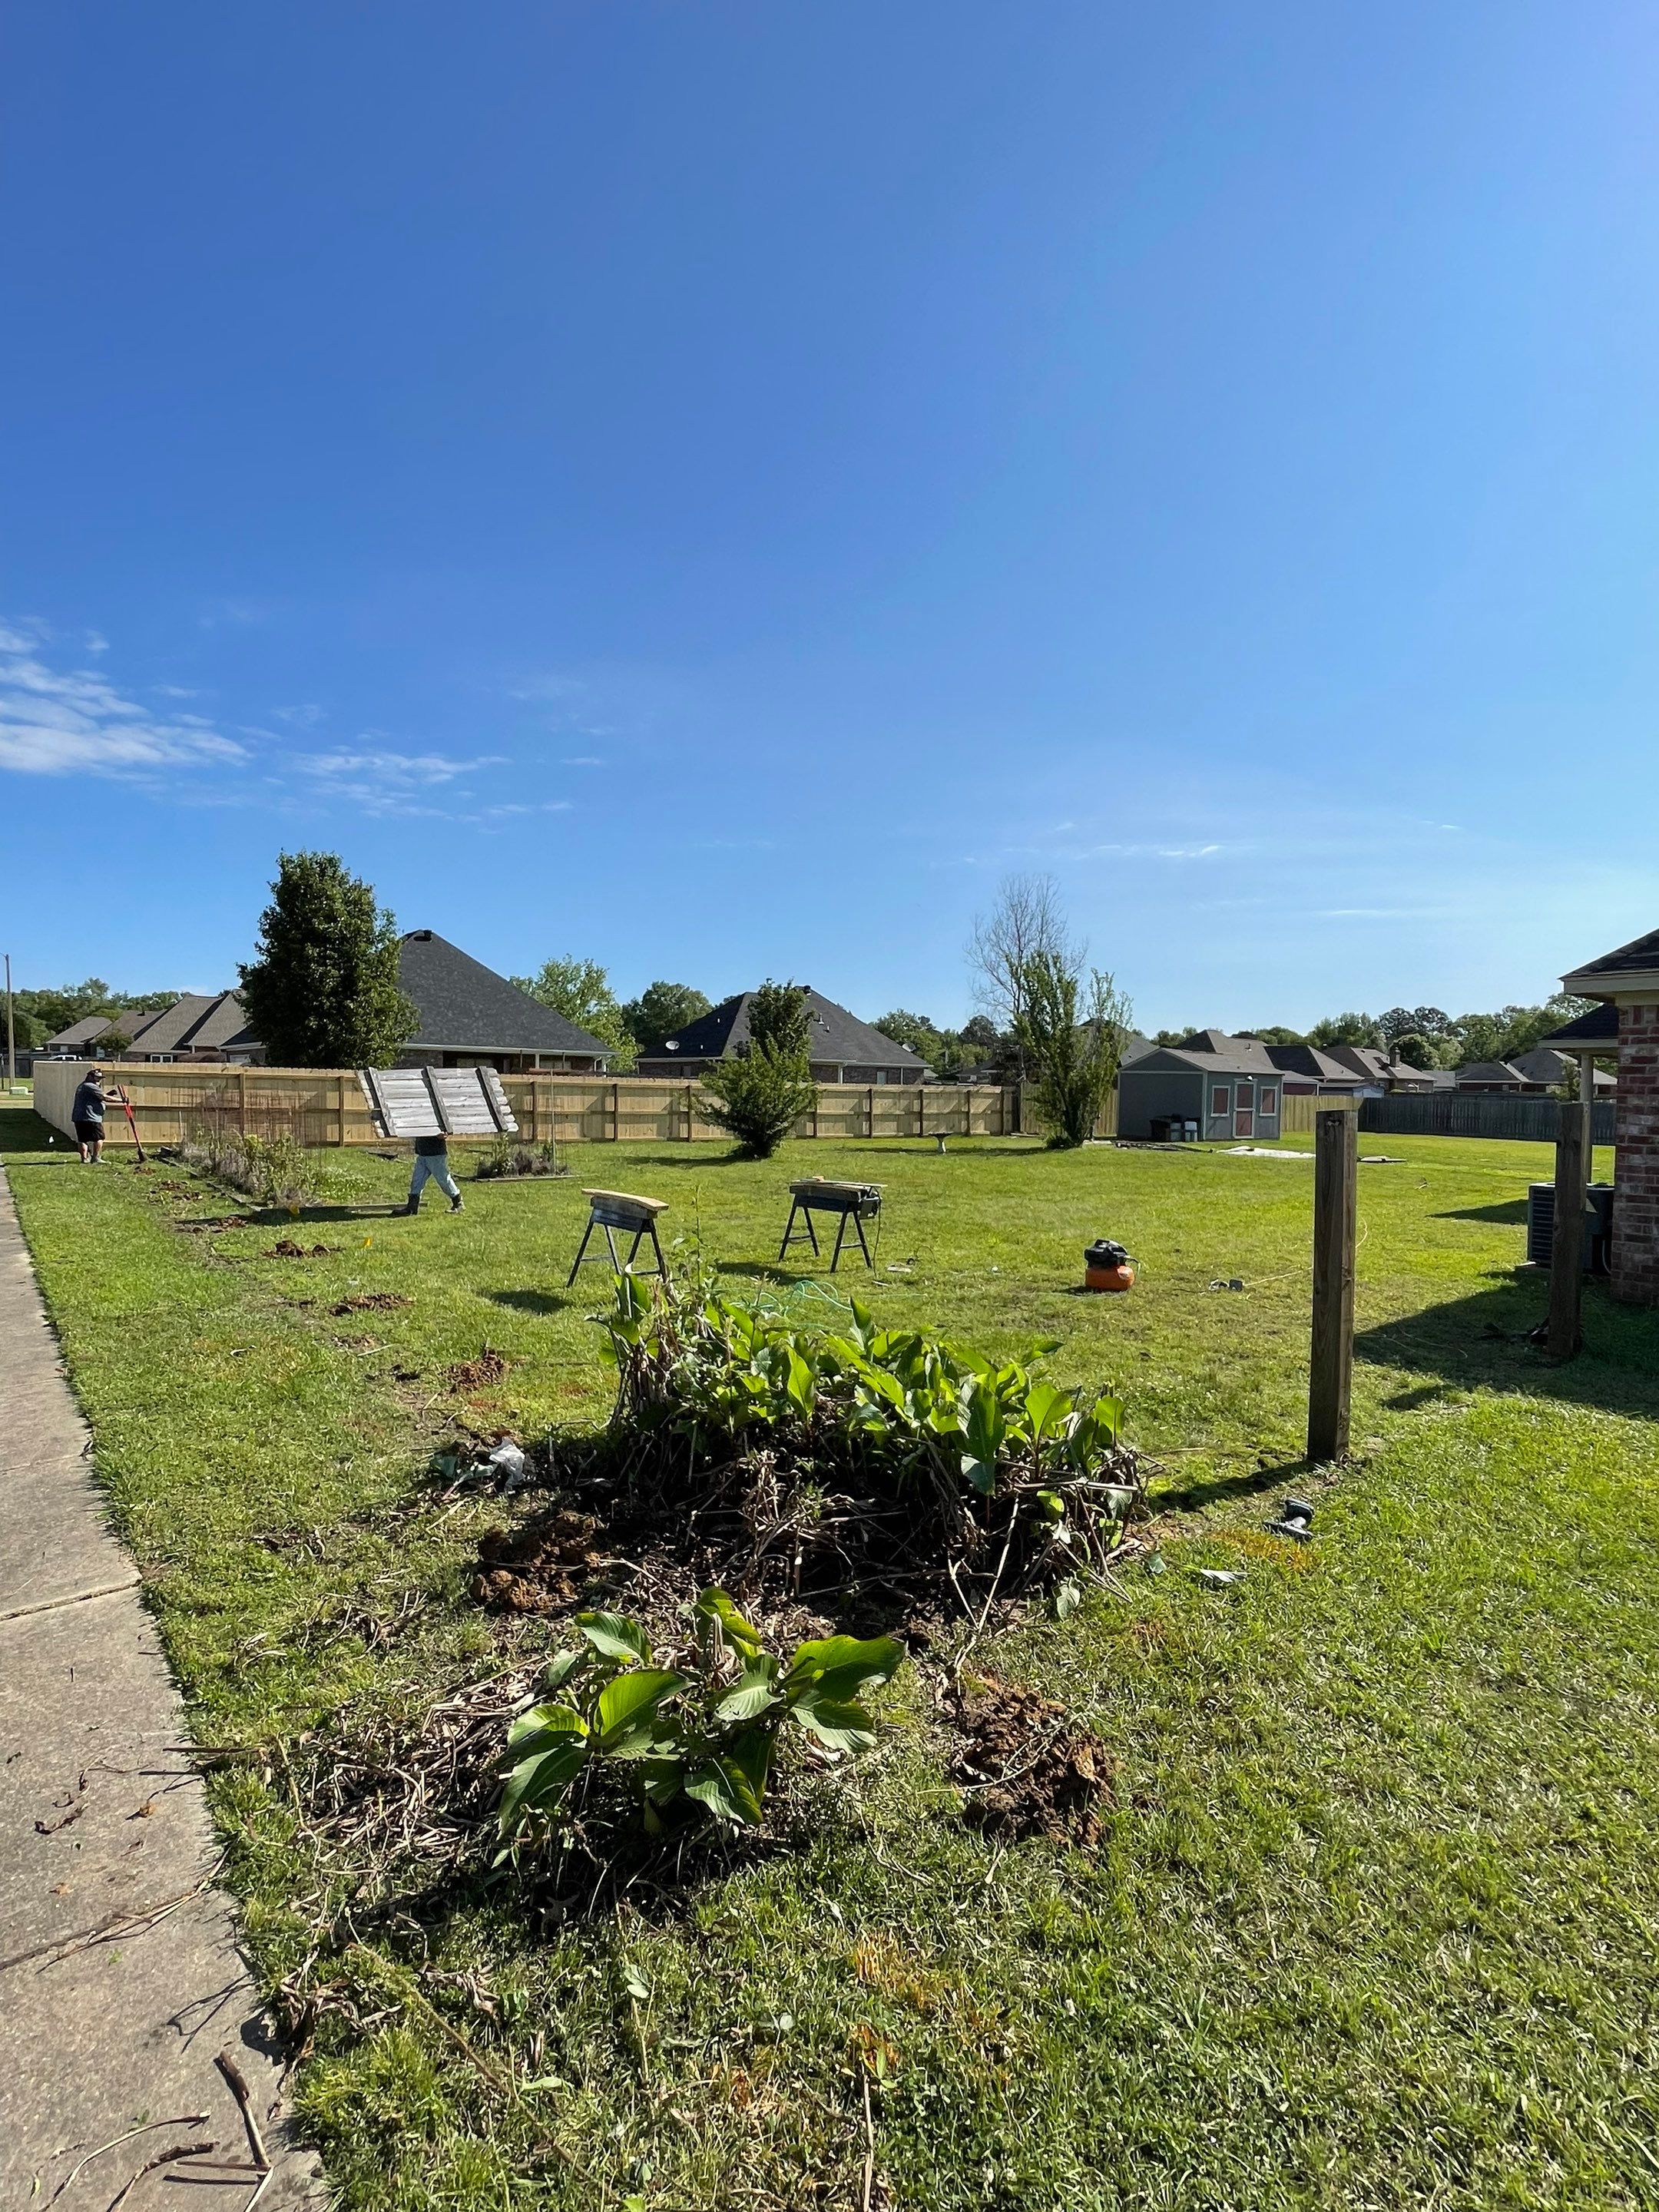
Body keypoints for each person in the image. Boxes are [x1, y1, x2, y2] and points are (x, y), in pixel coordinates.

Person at [406, 1131, 464, 1215]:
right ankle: (412, 1208)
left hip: (435, 1154)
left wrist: (442, 1133)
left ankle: (458, 1203)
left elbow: (444, 1134)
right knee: (417, 1181)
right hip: (422, 1154)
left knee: (443, 1180)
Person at [71, 1067, 112, 1164]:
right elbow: (103, 1097)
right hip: (91, 1117)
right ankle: (96, 1158)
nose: (98, 1080)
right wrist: (122, 1100)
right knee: (99, 1137)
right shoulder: (90, 1086)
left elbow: (96, 1098)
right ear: (90, 1076)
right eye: (96, 1078)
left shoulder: (82, 1086)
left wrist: (109, 1095)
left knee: (82, 1139)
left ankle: (84, 1159)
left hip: (79, 1117)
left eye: (99, 1079)